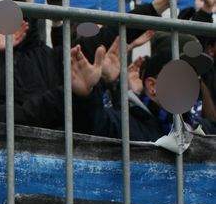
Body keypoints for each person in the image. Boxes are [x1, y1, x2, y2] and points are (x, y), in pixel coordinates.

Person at [70, 45, 216, 140]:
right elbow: (90, 125)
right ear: (152, 86)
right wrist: (84, 96)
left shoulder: (204, 129)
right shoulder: (126, 125)